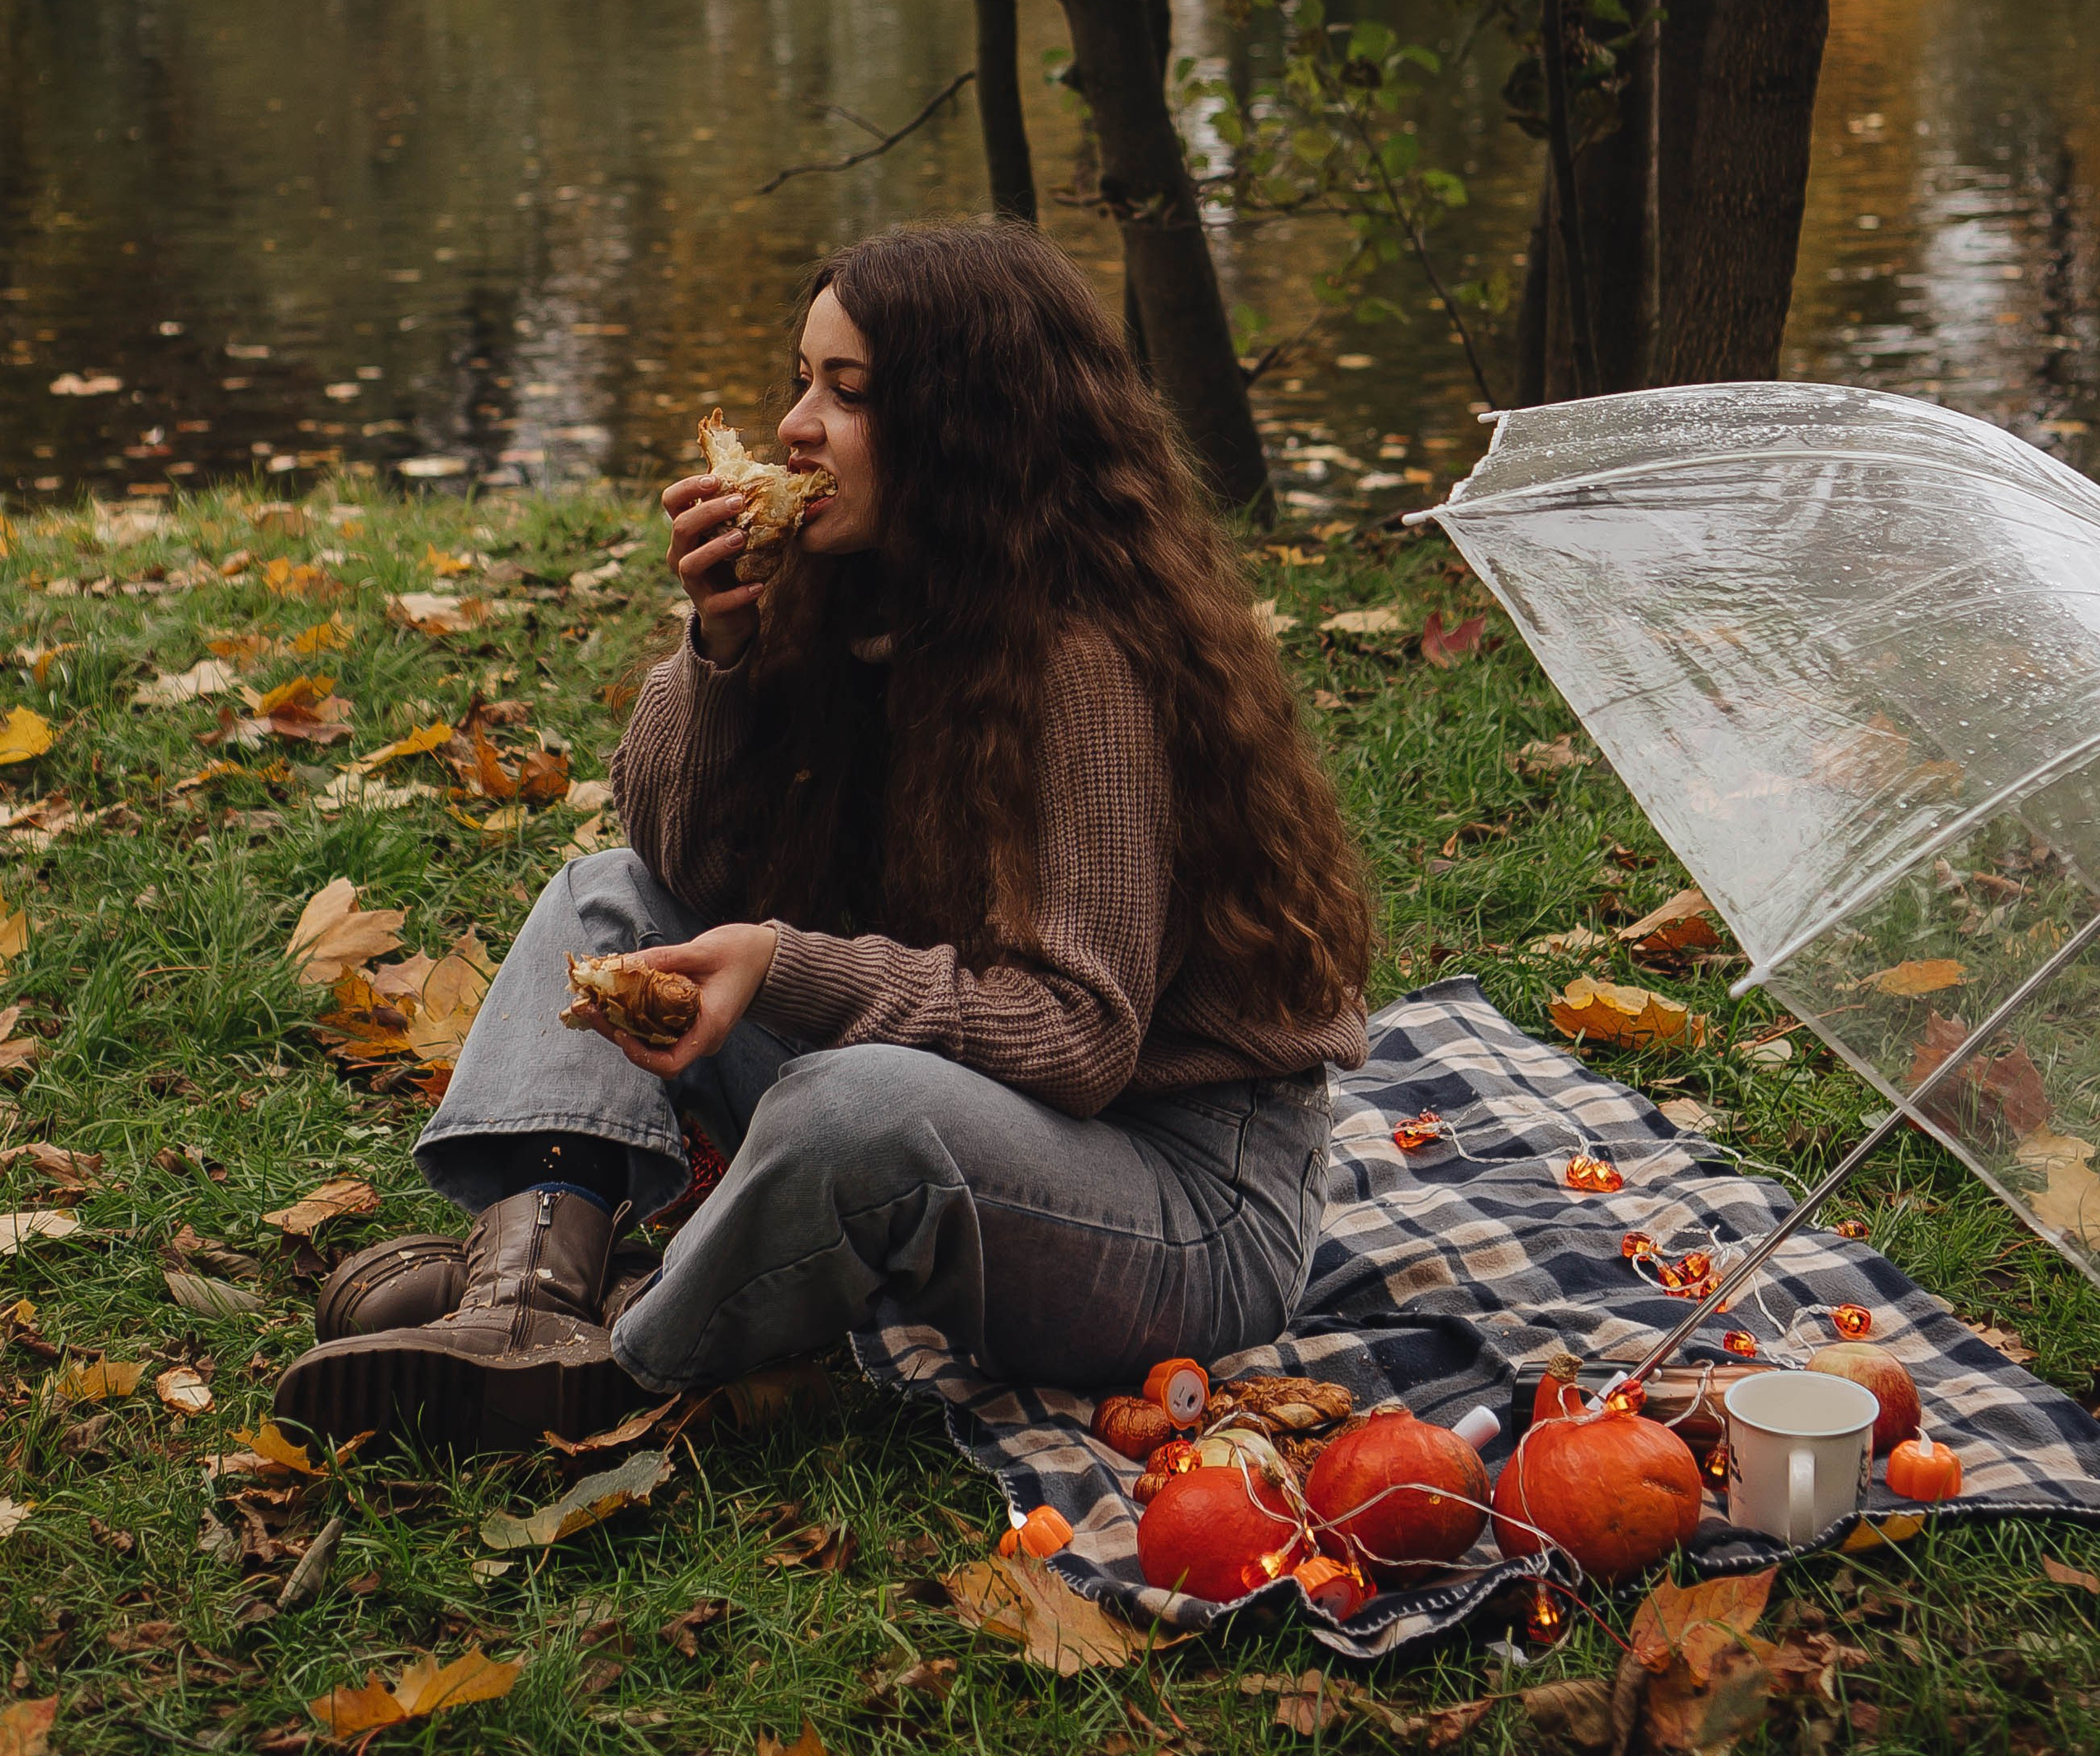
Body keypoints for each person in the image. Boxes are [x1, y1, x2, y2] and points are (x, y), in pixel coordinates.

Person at [275, 222, 1373, 1453]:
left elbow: (1078, 1038)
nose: (797, 423)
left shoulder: (1083, 662)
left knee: (857, 1109)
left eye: (848, 394)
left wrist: (787, 967)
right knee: (607, 903)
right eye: (802, 379)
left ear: (967, 428)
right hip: (985, 1130)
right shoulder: (863, 596)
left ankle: (623, 1364)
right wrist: (724, 653)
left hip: (1184, 1205)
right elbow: (680, 863)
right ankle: (524, 1295)